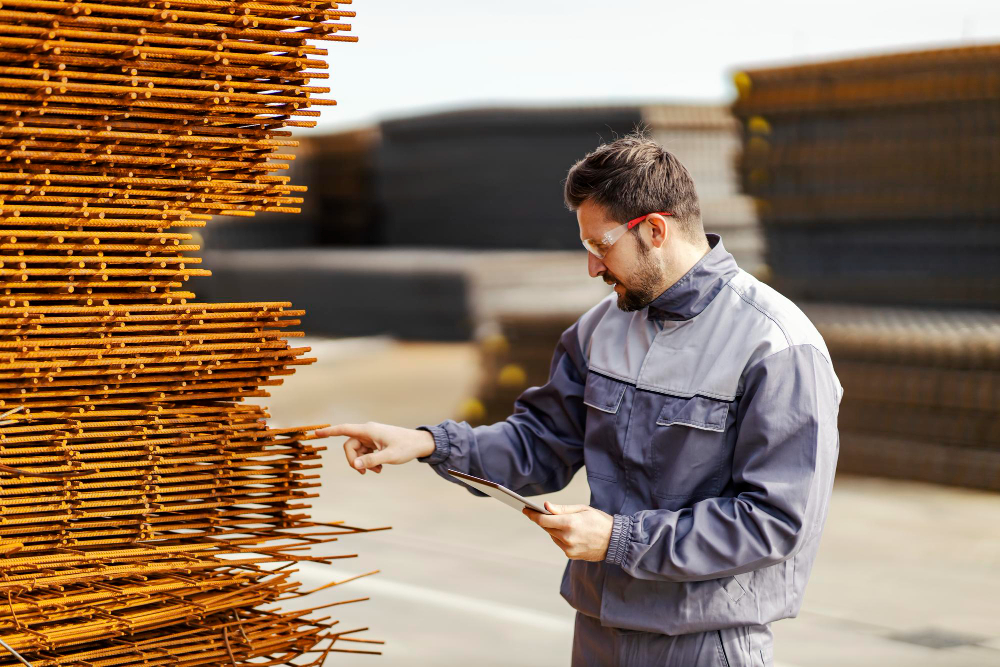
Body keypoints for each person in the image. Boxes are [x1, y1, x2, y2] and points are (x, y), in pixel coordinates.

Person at [316, 132, 843, 667]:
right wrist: (428, 442)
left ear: (655, 230)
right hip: (598, 632)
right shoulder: (600, 330)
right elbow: (539, 444)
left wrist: (620, 538)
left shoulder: (777, 346)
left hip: (704, 644)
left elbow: (775, 522)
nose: (592, 267)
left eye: (600, 245)